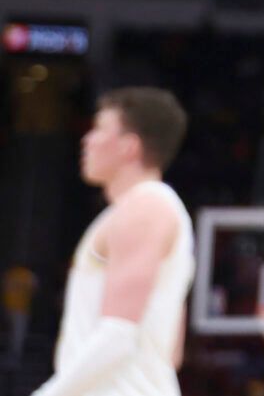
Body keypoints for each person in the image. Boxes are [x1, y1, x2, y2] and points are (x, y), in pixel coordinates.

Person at [34, 88, 194, 396]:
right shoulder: (141, 210)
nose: (87, 140)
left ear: (128, 147)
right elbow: (172, 350)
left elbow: (119, 334)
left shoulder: (146, 208)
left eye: (99, 129)